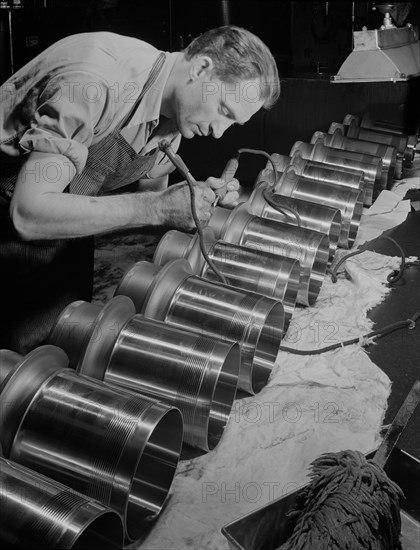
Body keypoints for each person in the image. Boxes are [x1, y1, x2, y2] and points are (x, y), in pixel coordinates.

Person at [0, 25, 280, 354]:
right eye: (224, 111)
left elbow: (151, 192)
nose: (220, 132)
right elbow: (28, 214)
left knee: (64, 342)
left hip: (68, 218)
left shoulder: (172, 110)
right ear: (201, 68)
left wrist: (188, 203)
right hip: (13, 216)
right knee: (15, 365)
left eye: (234, 123)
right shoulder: (95, 83)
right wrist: (158, 207)